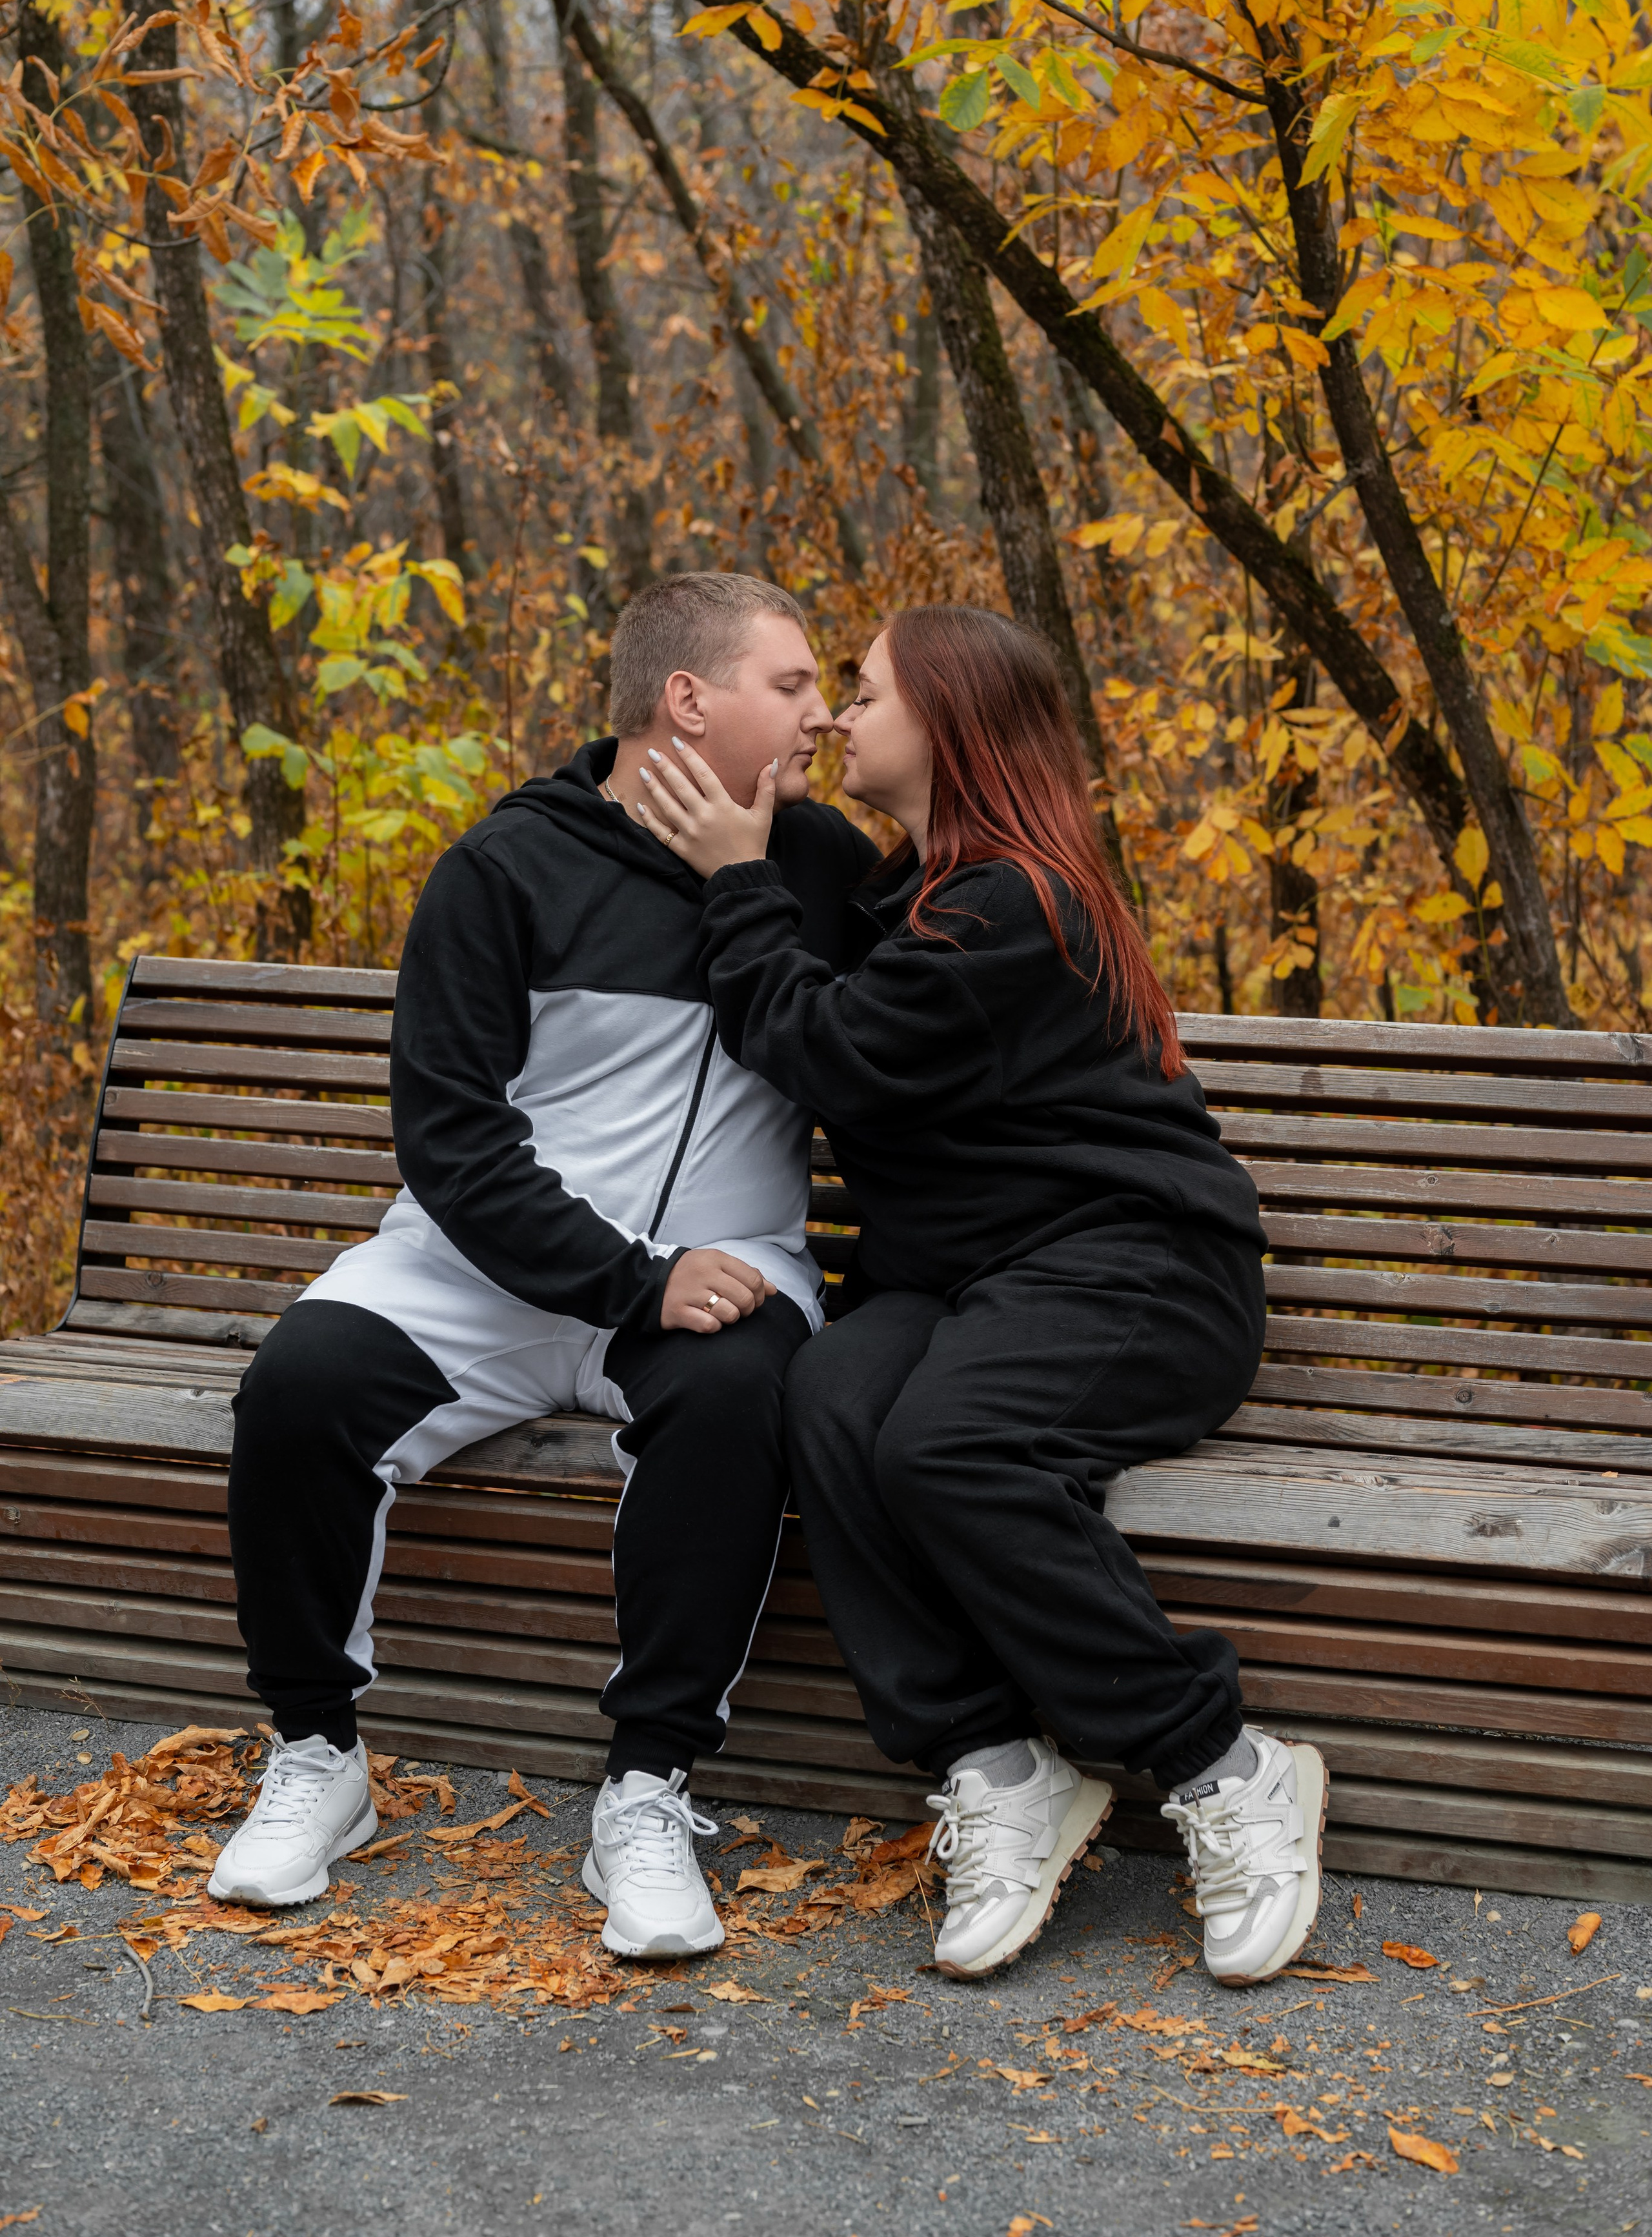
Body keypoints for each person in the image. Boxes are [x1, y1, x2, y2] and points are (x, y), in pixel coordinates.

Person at [633, 602, 1327, 1989]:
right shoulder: (912, 893)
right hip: (973, 1281)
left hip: (1139, 1270)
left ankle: (1222, 1761)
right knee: (831, 1393)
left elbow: (831, 1051)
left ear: (949, 723)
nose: (837, 716)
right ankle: (996, 1762)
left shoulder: (1015, 901)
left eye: (866, 693)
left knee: (949, 1445)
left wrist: (735, 878)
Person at [209, 572, 878, 1956]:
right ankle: (318, 1756)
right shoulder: (505, 867)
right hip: (489, 1265)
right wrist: (631, 1279)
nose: (822, 714)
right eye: (793, 684)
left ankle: (647, 1791)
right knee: (299, 1386)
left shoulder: (821, 868)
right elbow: (450, 1139)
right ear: (687, 701)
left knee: (737, 1397)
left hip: (721, 1264)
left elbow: (902, 1046)